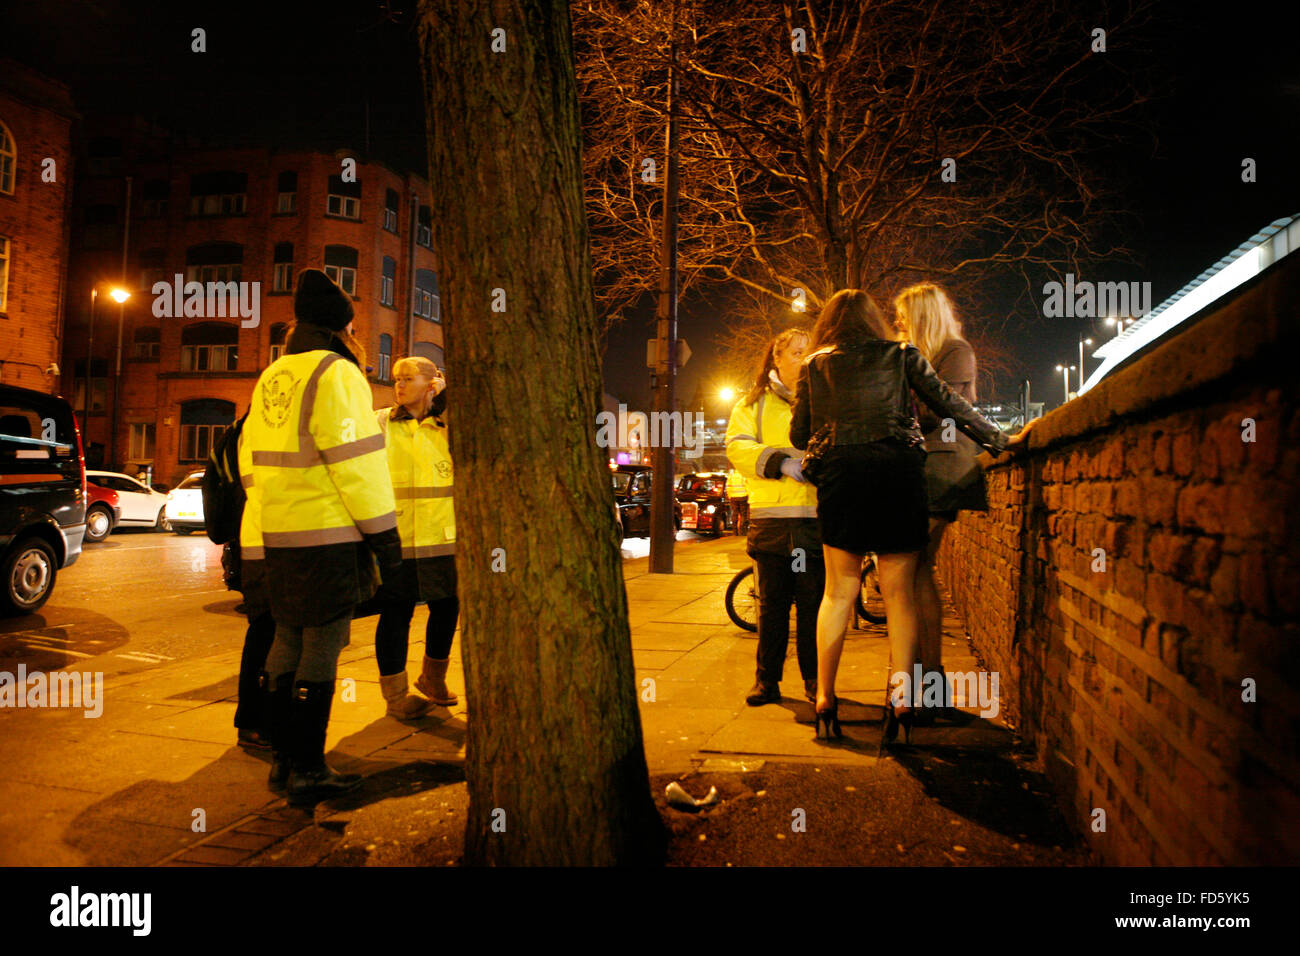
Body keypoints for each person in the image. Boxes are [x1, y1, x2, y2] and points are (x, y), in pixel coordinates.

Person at [790, 290, 1027, 744]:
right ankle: (901, 703)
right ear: (874, 321)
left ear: (829, 325)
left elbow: (800, 433)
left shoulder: (814, 365)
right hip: (897, 473)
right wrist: (998, 438)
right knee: (900, 594)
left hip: (842, 476)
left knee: (838, 591)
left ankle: (824, 698)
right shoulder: (901, 354)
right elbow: (948, 405)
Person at [239, 269, 403, 805]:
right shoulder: (338, 373)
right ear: (342, 328)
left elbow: (250, 464)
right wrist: (384, 534)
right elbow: (356, 463)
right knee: (323, 645)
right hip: (329, 538)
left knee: (287, 639)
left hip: (279, 535)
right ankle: (309, 767)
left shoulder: (273, 375)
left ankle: (284, 761)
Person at [894, 282, 988, 723]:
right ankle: (923, 688)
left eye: (902, 317)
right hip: (921, 471)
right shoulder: (926, 356)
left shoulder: (954, 351)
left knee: (912, 572)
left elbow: (940, 410)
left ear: (921, 316)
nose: (897, 326)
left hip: (944, 471)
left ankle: (926, 688)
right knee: (913, 575)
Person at [724, 327, 824, 707]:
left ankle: (815, 682)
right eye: (797, 352)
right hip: (772, 523)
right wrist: (782, 463)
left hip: (813, 521)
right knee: (772, 608)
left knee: (814, 608)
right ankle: (767, 682)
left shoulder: (823, 400)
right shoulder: (752, 404)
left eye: (808, 352)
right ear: (776, 358)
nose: (804, 358)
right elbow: (737, 448)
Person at [371, 355, 460, 719]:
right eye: (396, 379)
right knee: (394, 615)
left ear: (431, 382)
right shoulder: (381, 423)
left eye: (408, 378)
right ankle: (395, 696)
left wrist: (446, 395)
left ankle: (432, 679)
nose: (399, 385)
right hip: (397, 540)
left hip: (442, 537)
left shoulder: (448, 424)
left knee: (447, 607)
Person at [725, 467, 748, 535]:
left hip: (733, 497)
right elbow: (748, 486)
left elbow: (728, 486)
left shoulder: (731, 476)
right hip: (743, 496)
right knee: (743, 514)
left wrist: (730, 496)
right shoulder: (744, 476)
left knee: (735, 513)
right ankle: (743, 531)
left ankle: (735, 531)